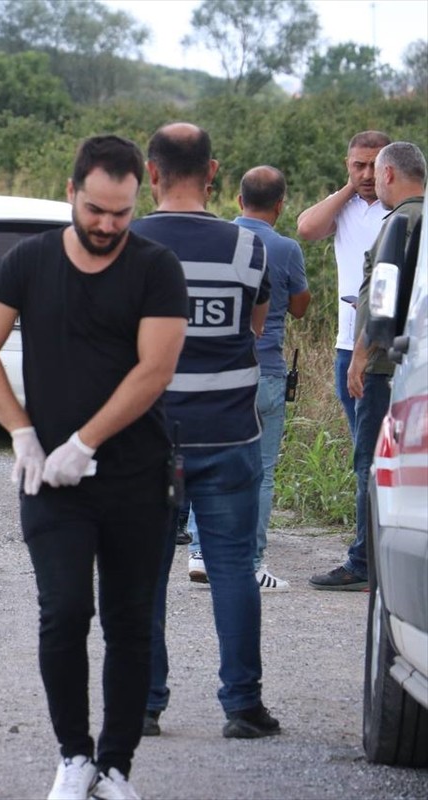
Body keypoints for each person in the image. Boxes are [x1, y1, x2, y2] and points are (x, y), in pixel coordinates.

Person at [0, 135, 187, 800]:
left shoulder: (156, 268)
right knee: (63, 612)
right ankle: (73, 757)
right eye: (95, 210)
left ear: (138, 198)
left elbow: (156, 368)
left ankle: (115, 767)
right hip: (49, 479)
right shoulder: (29, 262)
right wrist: (22, 433)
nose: (108, 225)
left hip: (137, 476)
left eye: (121, 213)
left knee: (130, 621)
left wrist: (85, 441)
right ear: (71, 192)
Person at [134, 123, 277, 742]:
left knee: (143, 575)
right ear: (213, 171)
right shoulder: (248, 247)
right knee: (232, 569)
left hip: (146, 438)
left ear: (151, 171)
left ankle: (145, 706)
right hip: (228, 436)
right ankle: (243, 706)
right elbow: (255, 325)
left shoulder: (127, 245)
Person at [185, 167, 311, 593]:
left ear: (239, 201)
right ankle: (251, 563)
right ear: (281, 205)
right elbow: (299, 308)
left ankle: (200, 552)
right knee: (261, 472)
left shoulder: (220, 239)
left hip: (219, 371)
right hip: (266, 371)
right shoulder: (287, 248)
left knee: (208, 460)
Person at [312, 141, 425, 591]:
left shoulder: (397, 222)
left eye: (376, 173)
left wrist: (359, 357)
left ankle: (363, 562)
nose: (373, 182)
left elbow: (381, 300)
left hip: (382, 366)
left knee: (371, 464)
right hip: (415, 362)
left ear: (389, 174)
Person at [296, 131, 391, 436]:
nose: (367, 174)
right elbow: (307, 228)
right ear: (347, 164)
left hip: (391, 345)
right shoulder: (344, 205)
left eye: (375, 165)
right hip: (348, 344)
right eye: (359, 165)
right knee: (360, 438)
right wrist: (350, 188)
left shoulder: (402, 207)